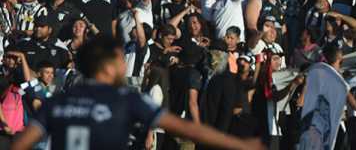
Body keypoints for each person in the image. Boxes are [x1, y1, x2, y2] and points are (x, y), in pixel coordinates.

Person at [12, 35, 262, 150]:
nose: (125, 66)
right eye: (121, 60)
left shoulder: (58, 102)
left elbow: (20, 144)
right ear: (108, 66)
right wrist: (239, 145)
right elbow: (188, 129)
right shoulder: (124, 99)